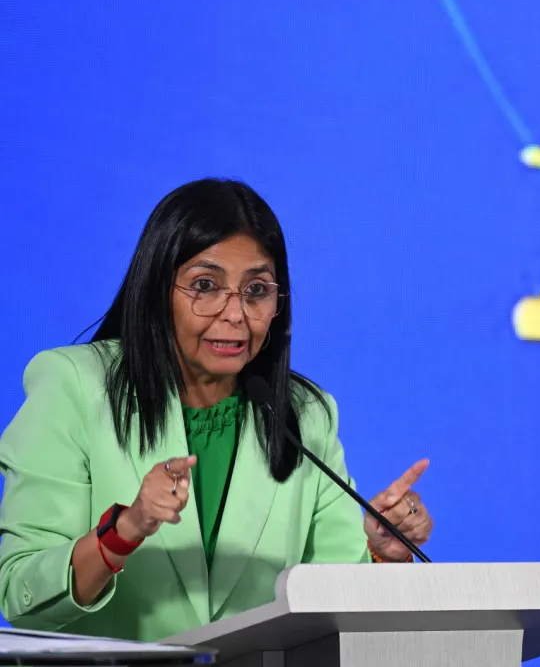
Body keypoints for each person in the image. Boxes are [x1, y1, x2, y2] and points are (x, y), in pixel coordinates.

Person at [0, 178, 434, 642]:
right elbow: (20, 594)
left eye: (257, 290)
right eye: (205, 285)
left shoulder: (305, 415)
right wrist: (125, 530)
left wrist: (385, 553)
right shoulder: (75, 385)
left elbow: (334, 605)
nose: (235, 314)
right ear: (155, 288)